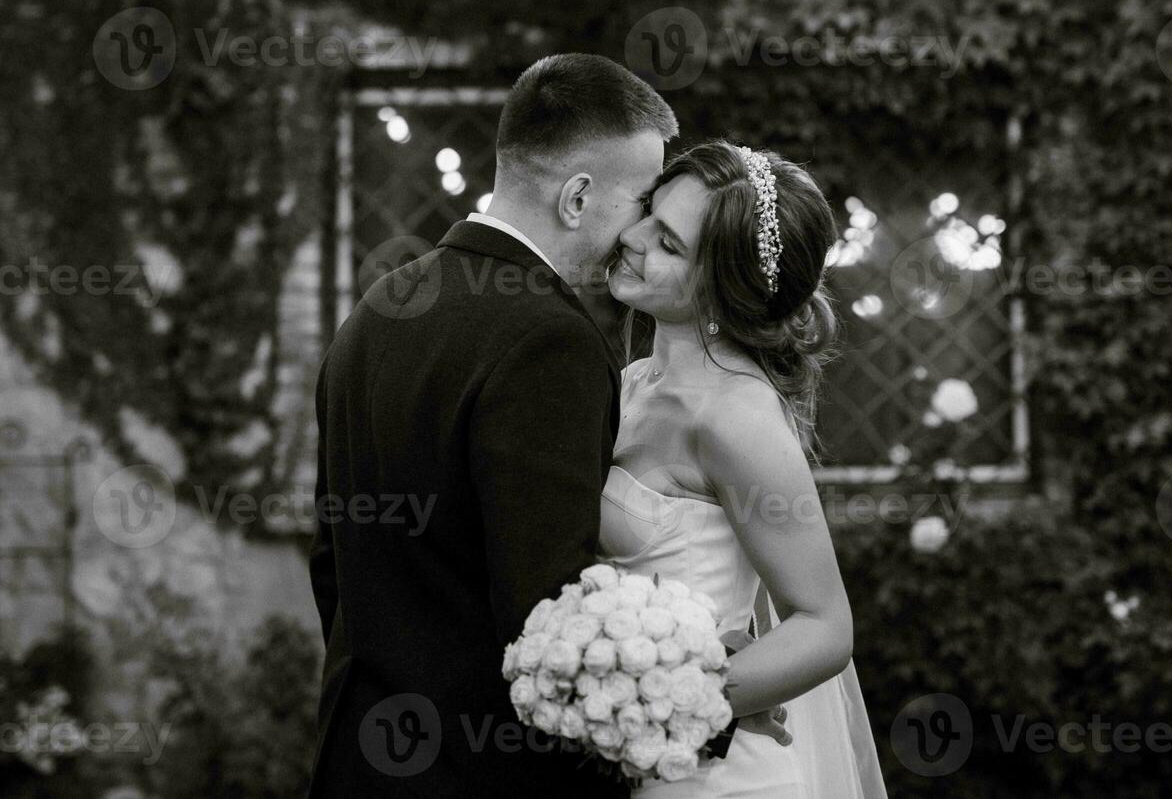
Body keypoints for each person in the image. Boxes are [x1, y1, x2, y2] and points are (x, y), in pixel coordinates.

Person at [308, 53, 676, 797]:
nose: (640, 230)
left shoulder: (379, 305)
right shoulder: (550, 340)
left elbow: (330, 557)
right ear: (577, 198)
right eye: (641, 201)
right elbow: (546, 609)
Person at [602, 139, 888, 798]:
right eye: (649, 210)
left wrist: (684, 700)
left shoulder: (733, 418)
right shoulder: (631, 381)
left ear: (719, 291)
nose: (634, 236)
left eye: (670, 245)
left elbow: (823, 627)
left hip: (713, 780)